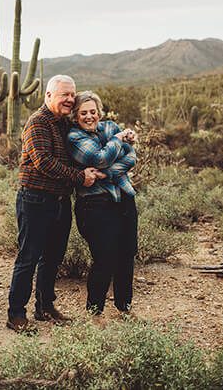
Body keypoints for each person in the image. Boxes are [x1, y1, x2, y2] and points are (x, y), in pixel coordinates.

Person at [8, 74, 103, 334]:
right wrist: (79, 177)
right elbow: (44, 162)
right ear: (48, 95)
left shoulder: (64, 124)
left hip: (60, 201)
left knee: (52, 258)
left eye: (72, 95)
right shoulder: (38, 123)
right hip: (35, 200)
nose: (70, 99)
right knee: (28, 257)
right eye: (64, 95)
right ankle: (16, 314)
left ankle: (44, 307)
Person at [67, 91, 140, 316]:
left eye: (93, 111)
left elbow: (131, 157)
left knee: (127, 254)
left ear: (99, 112)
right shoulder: (74, 137)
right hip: (94, 204)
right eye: (83, 113)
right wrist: (117, 142)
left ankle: (124, 308)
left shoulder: (110, 127)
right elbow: (99, 159)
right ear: (75, 116)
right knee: (104, 257)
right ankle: (94, 312)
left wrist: (105, 173)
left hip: (124, 198)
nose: (89, 116)